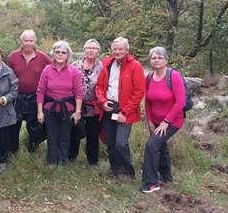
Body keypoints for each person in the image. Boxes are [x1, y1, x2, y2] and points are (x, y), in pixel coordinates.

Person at [95, 37, 145, 178]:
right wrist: (103, 101)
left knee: (121, 143)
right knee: (110, 142)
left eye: (120, 49)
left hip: (125, 110)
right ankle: (115, 169)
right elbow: (99, 86)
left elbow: (139, 92)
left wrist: (125, 112)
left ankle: (128, 171)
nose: (117, 52)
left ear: (127, 50)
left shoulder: (135, 66)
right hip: (109, 107)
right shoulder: (107, 63)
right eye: (115, 49)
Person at [140, 46, 185, 193]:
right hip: (156, 121)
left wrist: (166, 122)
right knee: (161, 146)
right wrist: (150, 121)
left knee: (152, 145)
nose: (156, 60)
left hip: (172, 121)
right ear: (150, 61)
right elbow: (148, 102)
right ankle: (166, 176)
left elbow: (180, 102)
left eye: (160, 57)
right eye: (154, 57)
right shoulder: (149, 78)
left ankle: (151, 183)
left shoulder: (174, 76)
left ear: (166, 60)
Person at [37, 41, 83, 165]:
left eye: (63, 52)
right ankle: (51, 161)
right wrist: (40, 112)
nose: (60, 55)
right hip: (50, 109)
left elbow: (79, 93)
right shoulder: (47, 70)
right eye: (57, 52)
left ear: (68, 55)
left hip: (67, 109)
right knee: (52, 137)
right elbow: (40, 91)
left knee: (64, 137)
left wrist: (78, 112)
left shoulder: (75, 72)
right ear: (53, 53)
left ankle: (62, 161)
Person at [8, 30, 51, 153]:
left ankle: (33, 150)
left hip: (35, 97)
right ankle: (13, 151)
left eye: (31, 40)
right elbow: (7, 76)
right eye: (25, 40)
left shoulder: (43, 57)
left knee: (34, 126)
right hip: (17, 96)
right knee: (14, 125)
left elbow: (53, 71)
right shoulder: (13, 56)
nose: (28, 43)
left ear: (34, 42)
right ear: (21, 41)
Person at [68, 39, 103, 166]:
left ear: (98, 51)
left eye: (93, 48)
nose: (90, 50)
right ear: (84, 50)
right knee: (75, 130)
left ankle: (92, 161)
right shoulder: (74, 65)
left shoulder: (103, 67)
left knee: (93, 133)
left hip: (94, 106)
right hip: (76, 104)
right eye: (88, 48)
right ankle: (71, 157)